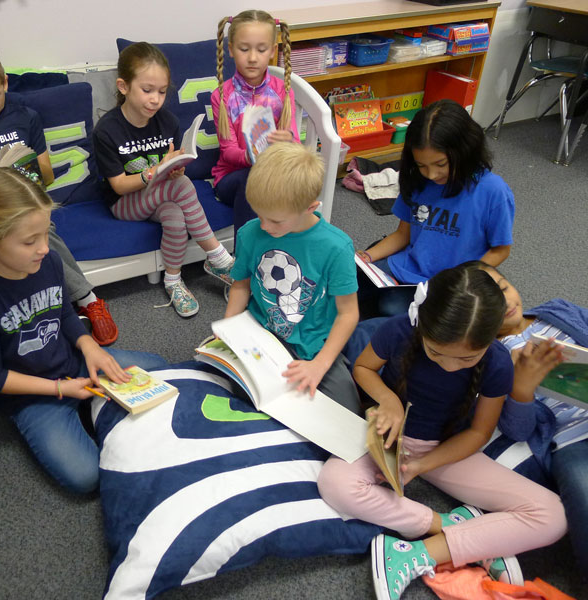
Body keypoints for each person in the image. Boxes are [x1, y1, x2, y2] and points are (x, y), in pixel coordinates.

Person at [318, 265, 567, 600]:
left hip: (444, 452)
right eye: (436, 352)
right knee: (334, 483)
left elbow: (479, 433)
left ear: (491, 339)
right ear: (422, 323)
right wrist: (388, 401)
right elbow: (363, 368)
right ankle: (452, 528)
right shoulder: (400, 330)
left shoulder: (497, 362)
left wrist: (424, 464)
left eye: (466, 358)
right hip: (387, 436)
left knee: (552, 516)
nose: (449, 365)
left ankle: (419, 552)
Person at [0, 168, 167, 494]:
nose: (44, 248)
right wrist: (60, 390)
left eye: (46, 234)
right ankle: (95, 407)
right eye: (29, 240)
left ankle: (95, 406)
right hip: (32, 395)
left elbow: (64, 311)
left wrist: (90, 346)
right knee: (85, 478)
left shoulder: (48, 262)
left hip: (73, 362)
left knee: (163, 371)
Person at [0, 44, 119, 346]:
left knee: (36, 229)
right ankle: (75, 302)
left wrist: (23, 168)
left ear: (5, 84)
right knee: (25, 233)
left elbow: (47, 176)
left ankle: (81, 302)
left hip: (25, 203)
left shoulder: (25, 117)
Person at [92, 42, 234, 317]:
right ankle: (218, 257)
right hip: (124, 202)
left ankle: (172, 280)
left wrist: (176, 168)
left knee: (175, 216)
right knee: (180, 187)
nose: (155, 99)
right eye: (147, 90)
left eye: (161, 91)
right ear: (123, 87)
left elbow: (173, 170)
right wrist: (156, 173)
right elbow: (119, 186)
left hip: (160, 195)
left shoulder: (167, 121)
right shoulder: (107, 130)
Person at [469, 260, 588, 584]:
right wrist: (521, 389)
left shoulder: (558, 311)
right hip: (570, 440)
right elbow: (518, 430)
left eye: (504, 289)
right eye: (490, 305)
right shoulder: (491, 362)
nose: (505, 303)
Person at [225, 142, 361, 414]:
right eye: (259, 215)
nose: (264, 226)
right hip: (261, 335)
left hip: (312, 346)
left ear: (311, 207)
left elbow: (348, 314)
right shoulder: (251, 233)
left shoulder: (337, 247)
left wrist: (320, 365)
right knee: (241, 400)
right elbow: (240, 286)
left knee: (347, 414)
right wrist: (228, 329)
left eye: (275, 221)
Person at [355, 100, 515, 318]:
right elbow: (403, 234)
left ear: (465, 150)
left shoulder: (493, 191)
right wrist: (367, 256)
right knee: (349, 284)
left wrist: (463, 279)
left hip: (449, 284)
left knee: (391, 309)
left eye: (440, 164)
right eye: (422, 165)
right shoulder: (417, 181)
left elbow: (501, 250)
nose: (431, 174)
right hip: (408, 267)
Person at [212, 10, 299, 241]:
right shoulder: (222, 96)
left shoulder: (282, 90)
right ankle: (244, 256)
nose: (252, 58)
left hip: (273, 174)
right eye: (244, 49)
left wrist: (288, 140)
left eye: (261, 50)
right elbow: (228, 151)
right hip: (232, 178)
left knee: (299, 177)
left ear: (272, 51)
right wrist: (252, 158)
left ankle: (293, 248)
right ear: (230, 50)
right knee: (252, 176)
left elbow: (295, 141)